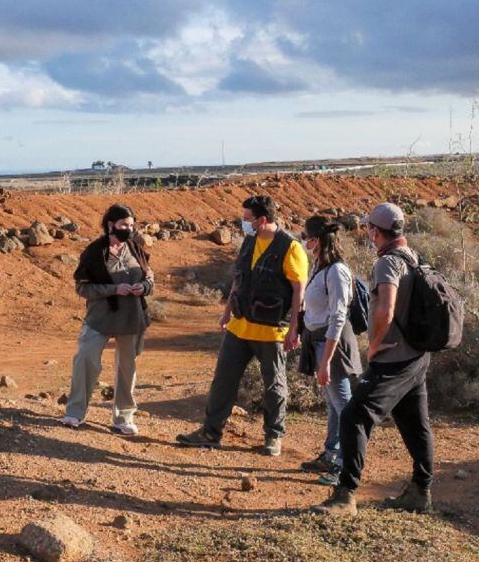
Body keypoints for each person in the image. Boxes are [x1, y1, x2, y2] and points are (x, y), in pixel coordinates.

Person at [314, 202, 433, 516]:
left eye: (369, 227)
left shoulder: (387, 263)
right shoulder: (413, 257)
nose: (368, 232)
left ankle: (345, 495)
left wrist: (375, 344)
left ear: (376, 231)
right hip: (417, 356)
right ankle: (420, 491)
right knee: (415, 423)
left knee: (353, 416)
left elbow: (386, 308)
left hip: (393, 359)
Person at [177, 195, 308, 456]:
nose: (243, 223)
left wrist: (295, 328)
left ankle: (273, 436)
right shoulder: (249, 241)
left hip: (272, 331)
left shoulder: (291, 247)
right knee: (223, 381)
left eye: (247, 218)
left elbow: (298, 292)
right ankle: (210, 433)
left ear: (262, 219)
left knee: (274, 386)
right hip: (239, 326)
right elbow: (239, 281)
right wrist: (226, 313)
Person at [63, 203, 154, 436]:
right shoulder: (94, 252)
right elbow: (82, 288)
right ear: (111, 224)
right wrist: (113, 289)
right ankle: (75, 412)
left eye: (131, 225)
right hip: (100, 318)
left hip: (132, 317)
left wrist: (143, 287)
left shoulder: (135, 248)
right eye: (124, 225)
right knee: (86, 359)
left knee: (127, 368)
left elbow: (149, 276)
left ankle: (123, 417)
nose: (128, 229)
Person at [297, 216, 362, 485]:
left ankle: (346, 465)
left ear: (317, 240)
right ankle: (332, 454)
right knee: (333, 404)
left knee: (344, 406)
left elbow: (338, 316)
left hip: (331, 344)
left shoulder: (336, 271)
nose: (304, 241)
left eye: (306, 237)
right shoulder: (320, 266)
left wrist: (326, 361)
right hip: (318, 341)